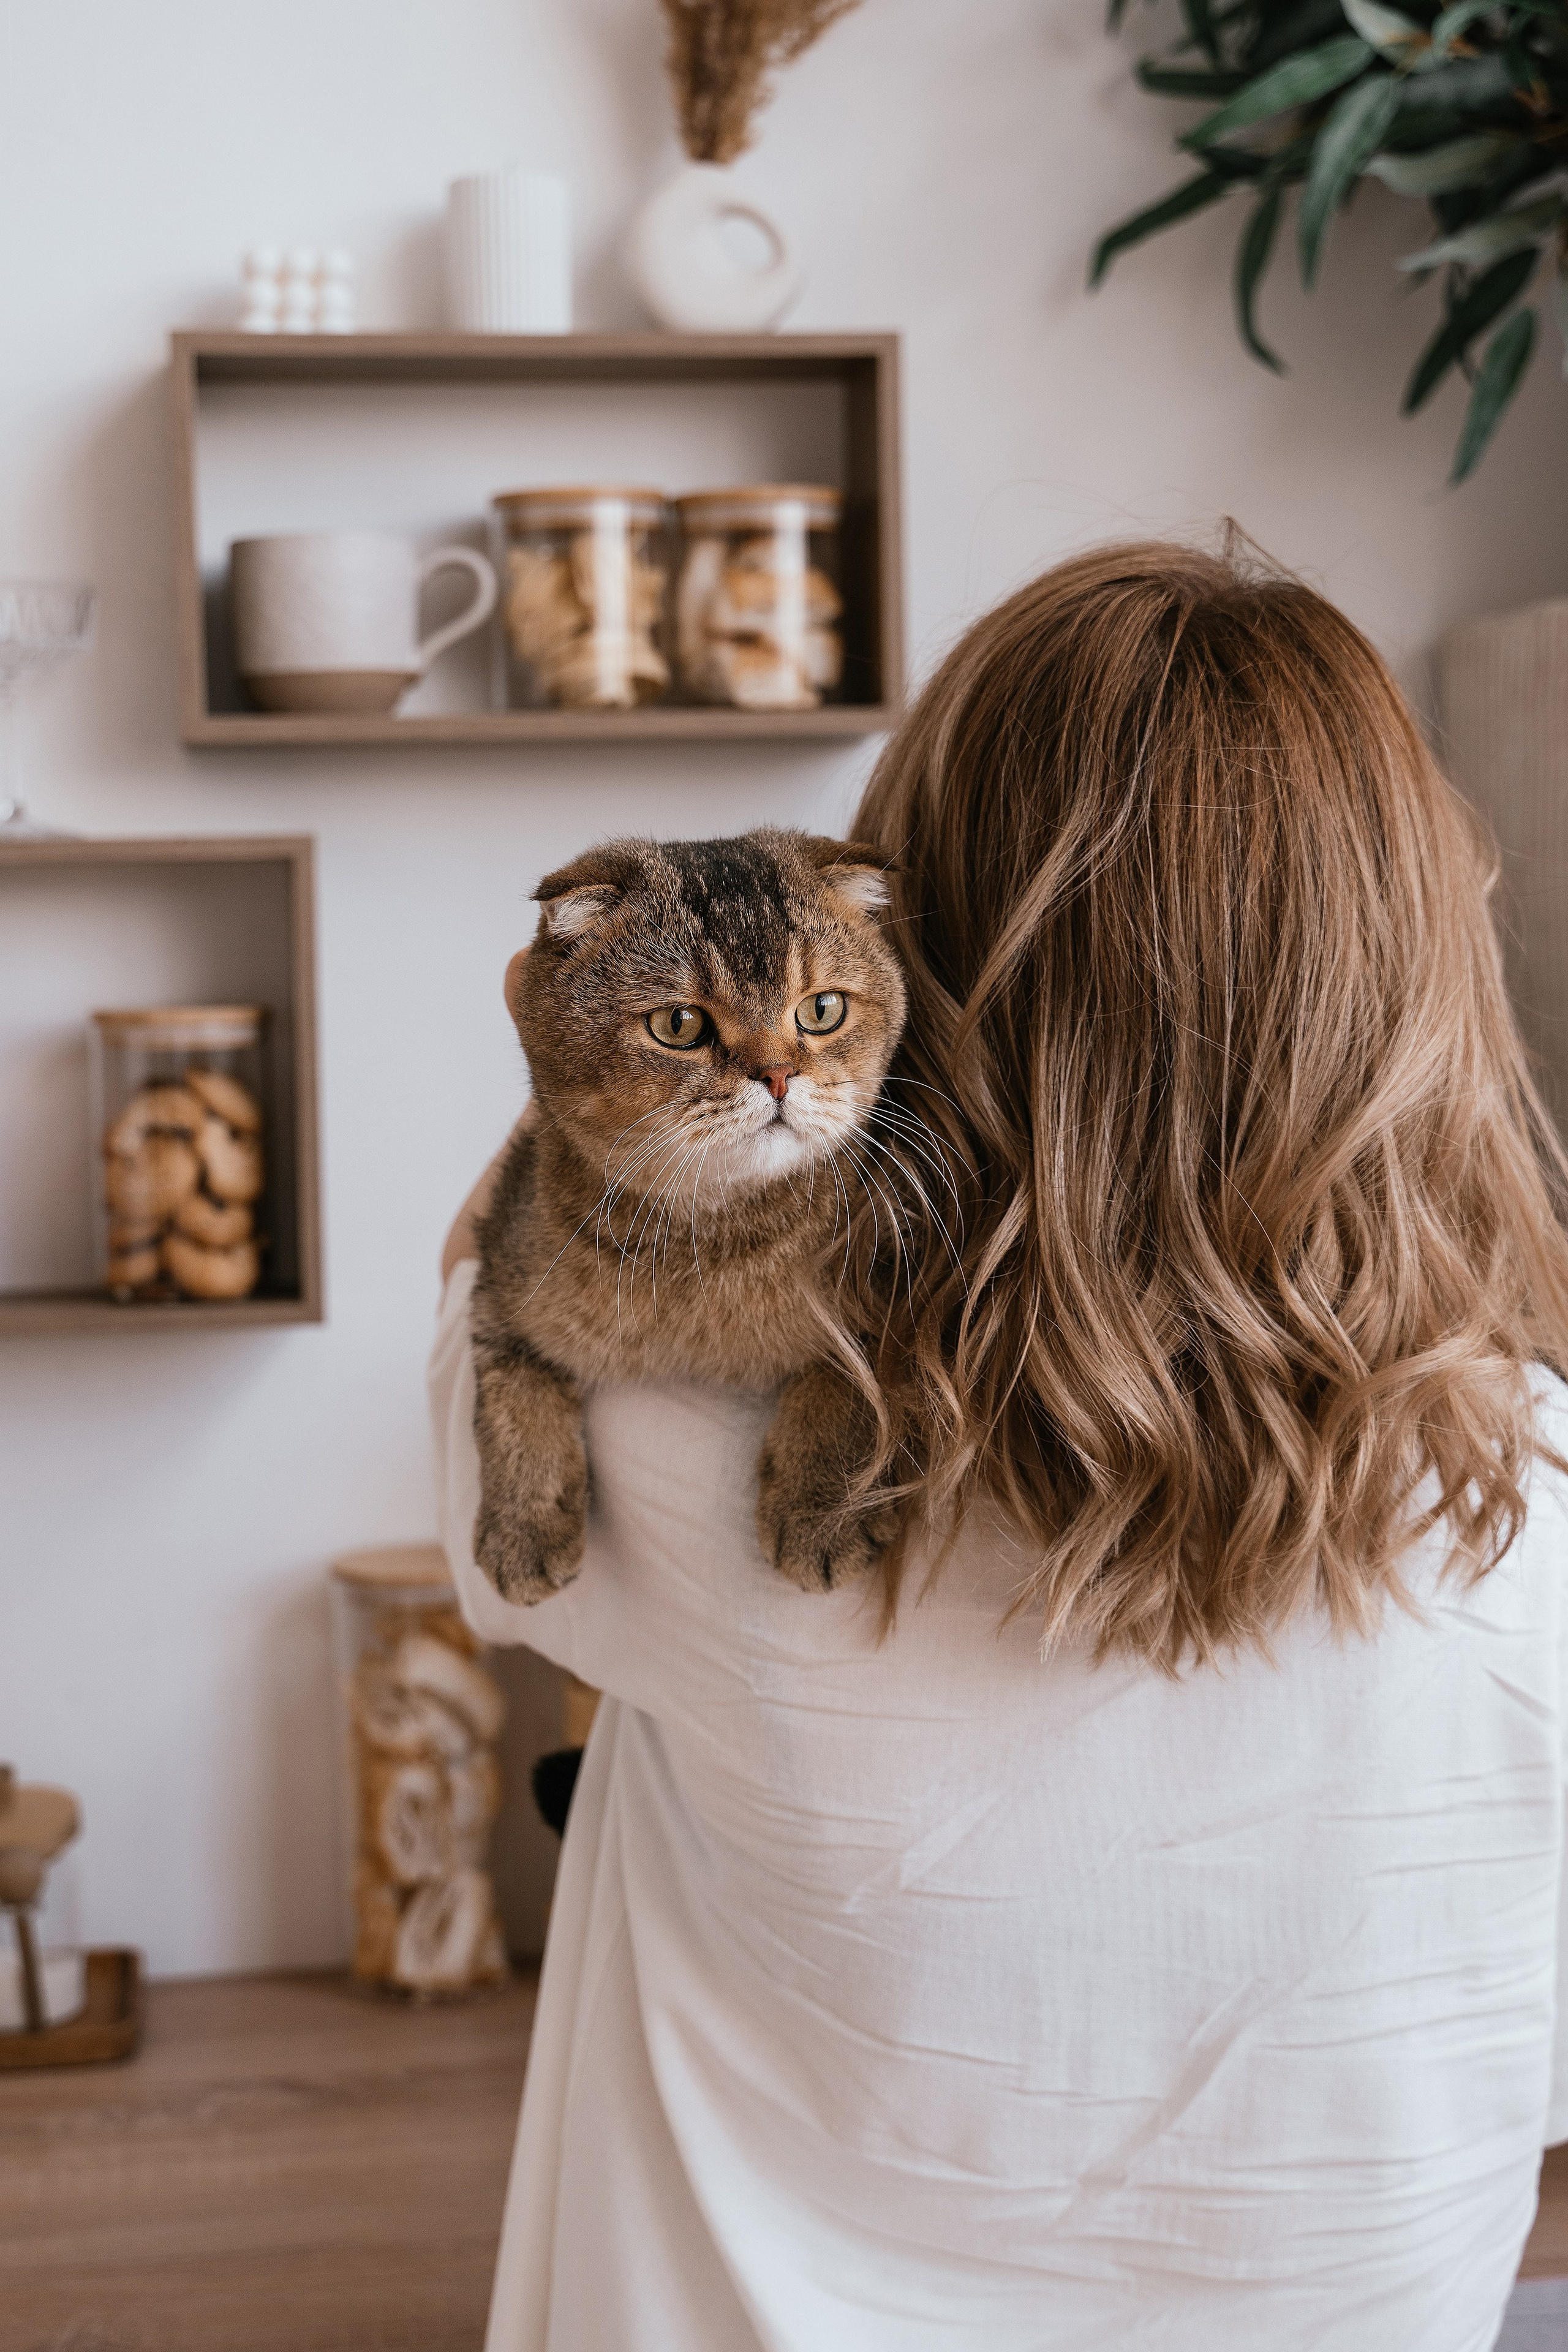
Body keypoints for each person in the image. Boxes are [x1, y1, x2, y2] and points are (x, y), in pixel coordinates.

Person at [431, 540, 1568, 2351]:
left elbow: (490, 1299)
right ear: (1424, 974)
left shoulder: (672, 1462)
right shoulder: (1538, 1507)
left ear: (927, 966)